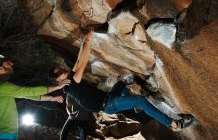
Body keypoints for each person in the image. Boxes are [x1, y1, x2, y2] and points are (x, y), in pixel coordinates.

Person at [51, 30, 194, 132]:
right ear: (59, 80)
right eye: (60, 72)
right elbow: (82, 63)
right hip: (108, 105)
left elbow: (77, 61)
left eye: (61, 69)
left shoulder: (69, 79)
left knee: (124, 81)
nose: (64, 70)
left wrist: (83, 42)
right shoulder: (71, 86)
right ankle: (174, 124)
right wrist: (89, 41)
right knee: (140, 100)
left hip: (109, 97)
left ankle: (135, 104)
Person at [0, 55, 70, 140]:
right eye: (7, 63)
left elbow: (26, 94)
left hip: (7, 133)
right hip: (4, 134)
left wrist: (51, 98)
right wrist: (57, 87)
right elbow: (28, 91)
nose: (12, 63)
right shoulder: (2, 87)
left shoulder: (3, 87)